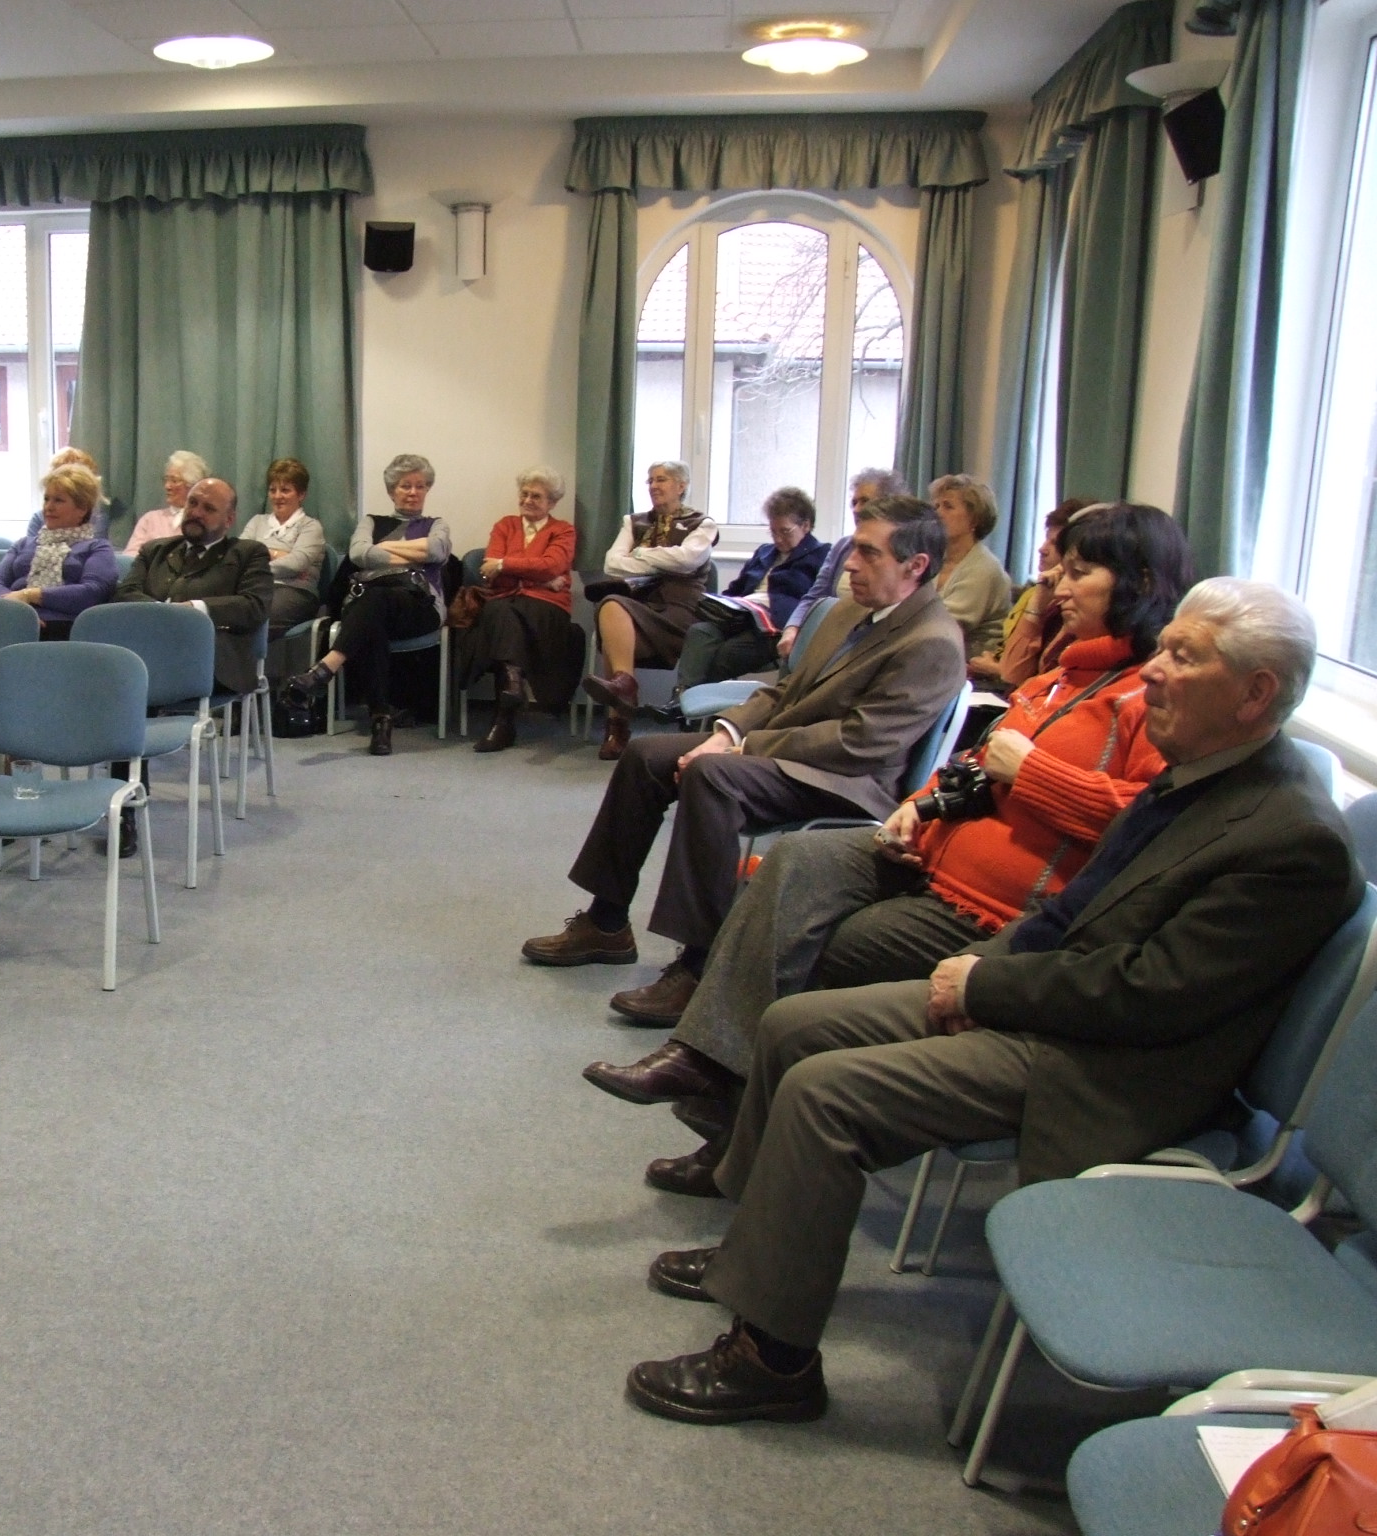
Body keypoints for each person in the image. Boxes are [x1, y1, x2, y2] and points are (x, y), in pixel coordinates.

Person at [617, 578, 1363, 1427]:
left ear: (1255, 693)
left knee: (826, 1095)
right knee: (790, 1026)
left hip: (1109, 1067)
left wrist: (988, 985)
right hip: (1056, 1004)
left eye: (1183, 657)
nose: (1153, 671)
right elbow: (1073, 912)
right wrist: (981, 967)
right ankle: (756, 1252)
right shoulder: (1199, 769)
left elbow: (1153, 996)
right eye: (1163, 649)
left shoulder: (1290, 839)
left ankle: (772, 1360)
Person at [585, 503, 1193, 1183]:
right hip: (926, 850)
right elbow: (972, 769)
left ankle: (723, 1109)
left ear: (1139, 583)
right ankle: (687, 1040)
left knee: (801, 924)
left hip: (975, 893)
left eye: (1079, 572)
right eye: (1062, 568)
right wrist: (920, 808)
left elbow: (1145, 820)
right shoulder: (1055, 679)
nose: (1056, 583)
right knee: (790, 861)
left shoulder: (1146, 698)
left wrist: (1028, 774)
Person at [521, 496, 966, 1027]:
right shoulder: (849, 611)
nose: (850, 563)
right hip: (794, 755)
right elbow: (784, 692)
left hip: (851, 780)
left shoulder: (932, 642)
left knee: (713, 775)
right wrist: (727, 731)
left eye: (869, 553)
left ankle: (702, 966)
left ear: (916, 566)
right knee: (645, 754)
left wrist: (743, 748)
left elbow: (860, 742)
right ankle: (607, 922)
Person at [281, 453, 451, 756]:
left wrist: (383, 547)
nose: (413, 492)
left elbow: (437, 550)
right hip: (373, 606)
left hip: (419, 606)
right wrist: (414, 554)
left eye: (420, 486)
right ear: (391, 491)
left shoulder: (435, 524)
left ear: (427, 489)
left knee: (373, 602)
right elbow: (360, 554)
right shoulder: (371, 521)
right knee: (374, 617)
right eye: (405, 486)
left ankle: (325, 669)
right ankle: (381, 723)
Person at [582, 460, 715, 758]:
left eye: (661, 480)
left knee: (614, 629)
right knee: (610, 605)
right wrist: (665, 559)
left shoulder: (702, 524)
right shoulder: (634, 522)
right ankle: (624, 687)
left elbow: (687, 561)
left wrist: (640, 553)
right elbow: (612, 563)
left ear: (681, 486)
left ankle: (618, 723)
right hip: (639, 603)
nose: (654, 486)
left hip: (680, 610)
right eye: (650, 480)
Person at [450, 466, 578, 753]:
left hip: (548, 609)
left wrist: (506, 564)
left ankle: (504, 718)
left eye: (536, 496)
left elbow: (553, 564)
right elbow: (489, 570)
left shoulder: (563, 530)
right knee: (501, 613)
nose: (528, 500)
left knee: (503, 616)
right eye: (524, 494)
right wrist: (541, 578)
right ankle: (512, 686)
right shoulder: (505, 526)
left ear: (552, 502)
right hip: (507, 602)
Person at [114, 477, 273, 696]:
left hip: (211, 658)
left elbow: (254, 605)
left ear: (229, 520)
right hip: (145, 649)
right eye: (193, 503)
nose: (196, 512)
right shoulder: (154, 550)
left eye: (208, 508)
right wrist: (164, 614)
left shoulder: (248, 554)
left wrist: (194, 610)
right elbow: (125, 593)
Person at [673, 487, 828, 693]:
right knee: (700, 631)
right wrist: (720, 605)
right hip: (742, 618)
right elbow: (736, 589)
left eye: (785, 531)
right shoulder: (765, 552)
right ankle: (682, 696)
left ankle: (692, 702)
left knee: (726, 654)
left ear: (805, 525)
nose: (778, 539)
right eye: (773, 531)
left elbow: (815, 600)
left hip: (775, 628)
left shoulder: (821, 555)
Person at [773, 467, 908, 665]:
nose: (857, 509)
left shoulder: (900, 548)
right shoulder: (842, 547)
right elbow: (815, 596)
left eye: (865, 501)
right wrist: (792, 627)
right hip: (834, 633)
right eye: (854, 502)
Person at [0, 464, 119, 637]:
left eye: (58, 500)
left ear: (82, 509)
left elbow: (92, 592)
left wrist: (30, 595)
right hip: (14, 619)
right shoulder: (23, 544)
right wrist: (17, 609)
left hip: (67, 627)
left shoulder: (98, 548)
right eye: (46, 499)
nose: (48, 507)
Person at [970, 499, 1091, 689]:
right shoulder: (1037, 593)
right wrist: (1037, 604)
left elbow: (1017, 675)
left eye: (1054, 543)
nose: (1042, 549)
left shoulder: (1077, 609)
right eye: (1045, 539)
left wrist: (994, 669)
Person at [237, 457, 326, 635]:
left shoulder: (311, 526)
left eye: (285, 490)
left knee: (254, 619)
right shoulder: (257, 521)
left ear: (301, 495)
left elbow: (295, 564)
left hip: (295, 591)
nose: (277, 496)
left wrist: (256, 560)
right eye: (273, 490)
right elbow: (239, 556)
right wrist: (278, 554)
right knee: (221, 613)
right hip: (254, 588)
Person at [930, 473, 1012, 660]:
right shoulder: (934, 559)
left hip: (974, 667)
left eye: (948, 506)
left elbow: (943, 626)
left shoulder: (984, 568)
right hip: (939, 658)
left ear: (974, 520)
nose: (938, 514)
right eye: (936, 506)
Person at [122, 450, 211, 556]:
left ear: (192, 485)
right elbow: (130, 557)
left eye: (174, 481)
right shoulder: (150, 520)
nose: (167, 486)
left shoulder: (202, 521)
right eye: (166, 479)